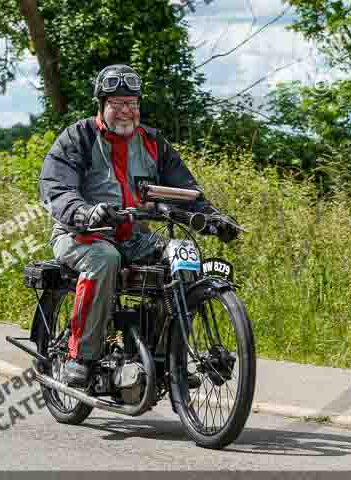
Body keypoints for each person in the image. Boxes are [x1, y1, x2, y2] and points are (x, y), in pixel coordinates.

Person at [39, 64, 238, 387]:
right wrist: (85, 213)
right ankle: (82, 356)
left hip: (135, 237)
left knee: (182, 256)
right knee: (104, 259)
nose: (125, 111)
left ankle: (169, 357)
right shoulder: (79, 137)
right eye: (116, 103)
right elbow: (56, 187)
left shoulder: (153, 143)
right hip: (82, 234)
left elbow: (186, 191)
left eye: (131, 103)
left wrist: (213, 220)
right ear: (101, 105)